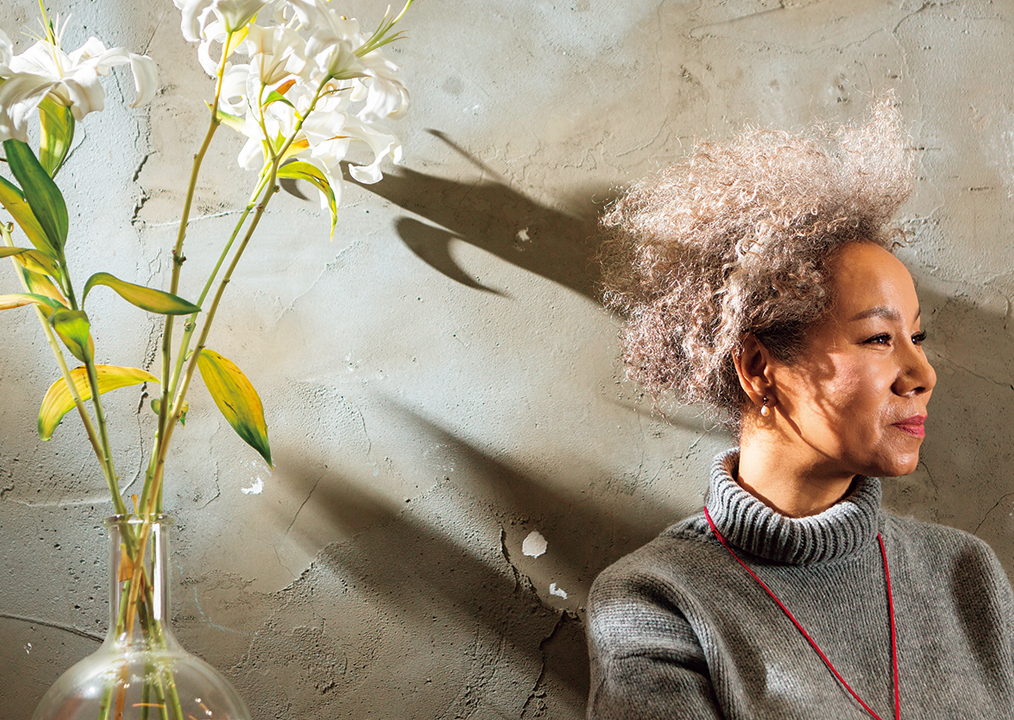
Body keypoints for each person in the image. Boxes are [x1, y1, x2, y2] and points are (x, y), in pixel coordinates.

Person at [586, 98, 1014, 719]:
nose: (922, 374)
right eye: (877, 339)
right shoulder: (657, 603)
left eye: (915, 338)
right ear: (760, 368)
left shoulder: (965, 576)